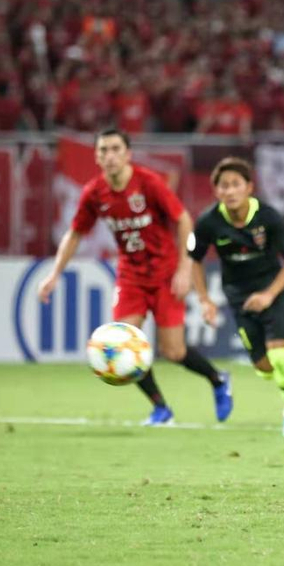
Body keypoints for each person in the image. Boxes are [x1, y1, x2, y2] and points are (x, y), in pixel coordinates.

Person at [37, 128, 232, 426]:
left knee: (174, 351)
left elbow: (184, 221)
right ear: (96, 157)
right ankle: (161, 408)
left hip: (165, 274)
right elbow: (75, 233)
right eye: (103, 150)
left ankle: (218, 379)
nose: (110, 156)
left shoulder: (148, 183)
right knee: (123, 342)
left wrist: (184, 268)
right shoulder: (94, 193)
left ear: (128, 154)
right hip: (131, 277)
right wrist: (54, 274)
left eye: (115, 149)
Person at [188, 157, 284, 437]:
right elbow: (195, 260)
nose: (230, 191)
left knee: (279, 355)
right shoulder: (208, 221)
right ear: (216, 191)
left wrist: (269, 294)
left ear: (249, 187)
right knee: (264, 368)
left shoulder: (268, 217)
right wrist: (204, 300)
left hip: (273, 293)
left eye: (235, 184)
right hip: (239, 300)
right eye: (224, 186)